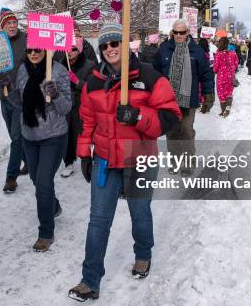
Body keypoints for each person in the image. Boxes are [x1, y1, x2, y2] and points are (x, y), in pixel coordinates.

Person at [67, 24, 182, 302]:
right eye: (105, 46)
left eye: (115, 42)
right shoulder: (94, 81)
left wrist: (137, 117)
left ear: (124, 43)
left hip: (139, 157)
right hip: (105, 159)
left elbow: (170, 116)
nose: (110, 49)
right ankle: (89, 280)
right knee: (98, 220)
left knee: (139, 212)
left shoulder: (148, 76)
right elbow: (87, 120)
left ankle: (143, 253)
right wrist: (84, 153)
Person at [8, 46, 71, 252]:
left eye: (37, 50)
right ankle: (53, 205)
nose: (33, 54)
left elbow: (66, 108)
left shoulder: (58, 70)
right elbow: (19, 102)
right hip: (29, 134)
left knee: (43, 183)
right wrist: (7, 90)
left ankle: (46, 232)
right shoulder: (23, 70)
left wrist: (56, 94)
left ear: (46, 50)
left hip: (53, 136)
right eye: (28, 50)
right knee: (36, 179)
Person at [154, 20, 215, 168]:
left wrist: (208, 95)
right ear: (172, 32)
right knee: (172, 132)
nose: (179, 35)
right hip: (169, 101)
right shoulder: (164, 49)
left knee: (186, 131)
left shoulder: (197, 51)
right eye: (176, 32)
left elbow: (206, 74)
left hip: (189, 100)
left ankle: (188, 162)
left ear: (188, 32)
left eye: (182, 32)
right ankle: (175, 161)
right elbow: (155, 71)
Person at [0, 8, 29, 193]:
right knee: (13, 134)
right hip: (3, 96)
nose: (13, 26)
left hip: (20, 97)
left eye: (15, 22)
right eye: (9, 23)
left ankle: (11, 177)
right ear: (3, 26)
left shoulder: (26, 39)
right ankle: (29, 162)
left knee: (16, 137)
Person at [58, 37, 96, 178]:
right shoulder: (60, 65)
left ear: (79, 50)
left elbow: (91, 87)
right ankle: (69, 161)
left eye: (73, 49)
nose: (69, 52)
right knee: (67, 134)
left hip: (82, 105)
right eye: (67, 48)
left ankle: (89, 159)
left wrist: (76, 81)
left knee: (83, 133)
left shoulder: (89, 65)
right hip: (66, 105)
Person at [213, 37, 239, 117]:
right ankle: (228, 107)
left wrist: (215, 70)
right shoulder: (233, 53)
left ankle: (223, 110)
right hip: (231, 77)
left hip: (221, 77)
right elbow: (236, 64)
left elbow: (215, 68)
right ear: (228, 44)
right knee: (229, 92)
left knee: (221, 94)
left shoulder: (218, 54)